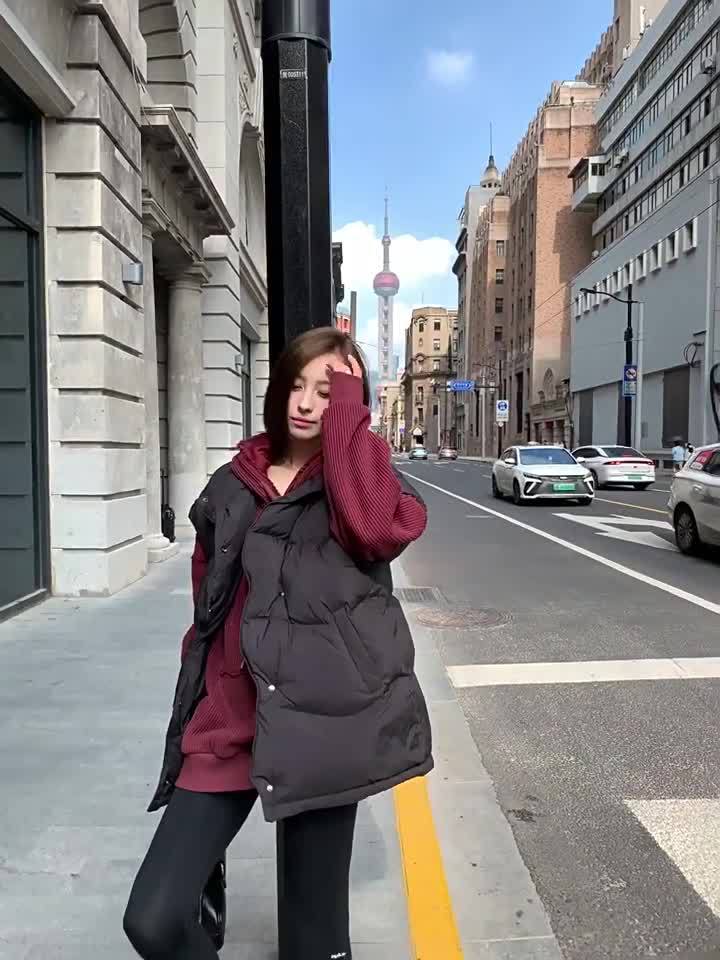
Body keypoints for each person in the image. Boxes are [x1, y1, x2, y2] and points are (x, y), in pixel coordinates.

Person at [123, 327, 432, 960]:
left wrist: (349, 420)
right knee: (154, 919)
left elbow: (374, 530)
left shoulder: (360, 482)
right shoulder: (233, 482)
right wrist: (200, 687)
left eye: (328, 391)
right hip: (229, 717)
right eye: (297, 385)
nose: (306, 402)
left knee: (315, 940)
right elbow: (208, 601)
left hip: (323, 722)